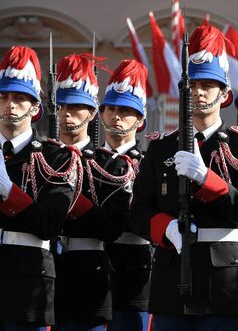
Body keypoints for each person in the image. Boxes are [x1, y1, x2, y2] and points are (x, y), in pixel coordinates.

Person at [129, 23, 238, 330]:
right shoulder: (161, 146)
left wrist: (207, 179)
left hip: (223, 279)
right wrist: (165, 228)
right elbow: (138, 211)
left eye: (208, 85)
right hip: (171, 272)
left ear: (225, 93)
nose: (200, 92)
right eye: (193, 85)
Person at [53, 54, 139, 331]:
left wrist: (63, 200)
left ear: (91, 113)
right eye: (62, 105)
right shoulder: (42, 156)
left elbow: (111, 226)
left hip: (90, 274)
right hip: (45, 272)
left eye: (76, 107)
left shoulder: (108, 164)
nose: (67, 113)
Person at [0, 46, 79, 330]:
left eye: (19, 98)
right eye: (3, 97)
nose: (9, 104)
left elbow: (49, 223)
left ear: (35, 108)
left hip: (27, 283)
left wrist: (8, 191)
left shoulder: (56, 157)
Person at [99, 59, 152, 331]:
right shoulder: (87, 161)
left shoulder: (148, 163)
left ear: (140, 119)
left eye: (125, 110)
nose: (116, 116)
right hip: (91, 271)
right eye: (110, 108)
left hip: (135, 273)